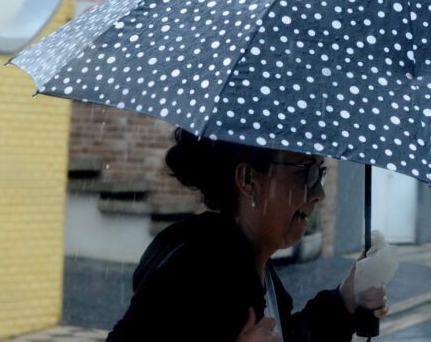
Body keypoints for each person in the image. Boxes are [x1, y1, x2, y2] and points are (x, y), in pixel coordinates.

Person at [107, 128, 388, 341]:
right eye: (305, 170)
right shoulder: (198, 269)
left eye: (320, 172)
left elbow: (288, 336)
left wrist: (346, 299)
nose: (319, 193)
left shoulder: (250, 261)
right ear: (248, 180)